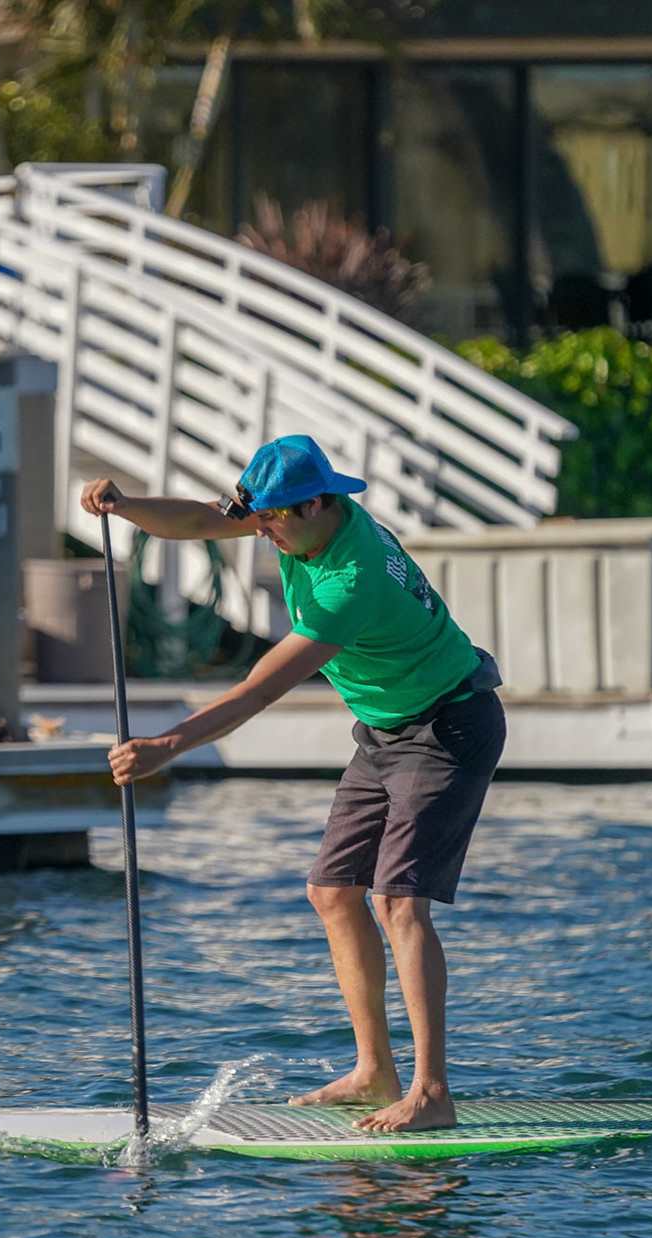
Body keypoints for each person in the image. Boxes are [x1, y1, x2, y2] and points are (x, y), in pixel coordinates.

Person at [81, 434, 505, 1132]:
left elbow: (257, 691)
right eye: (258, 516)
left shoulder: (353, 580)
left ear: (317, 504)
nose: (262, 532)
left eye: (274, 519)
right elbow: (195, 520)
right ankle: (375, 1073)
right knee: (331, 892)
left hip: (449, 725)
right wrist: (125, 507)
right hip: (383, 728)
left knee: (399, 904)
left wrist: (166, 746)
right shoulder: (285, 515)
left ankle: (431, 1091)